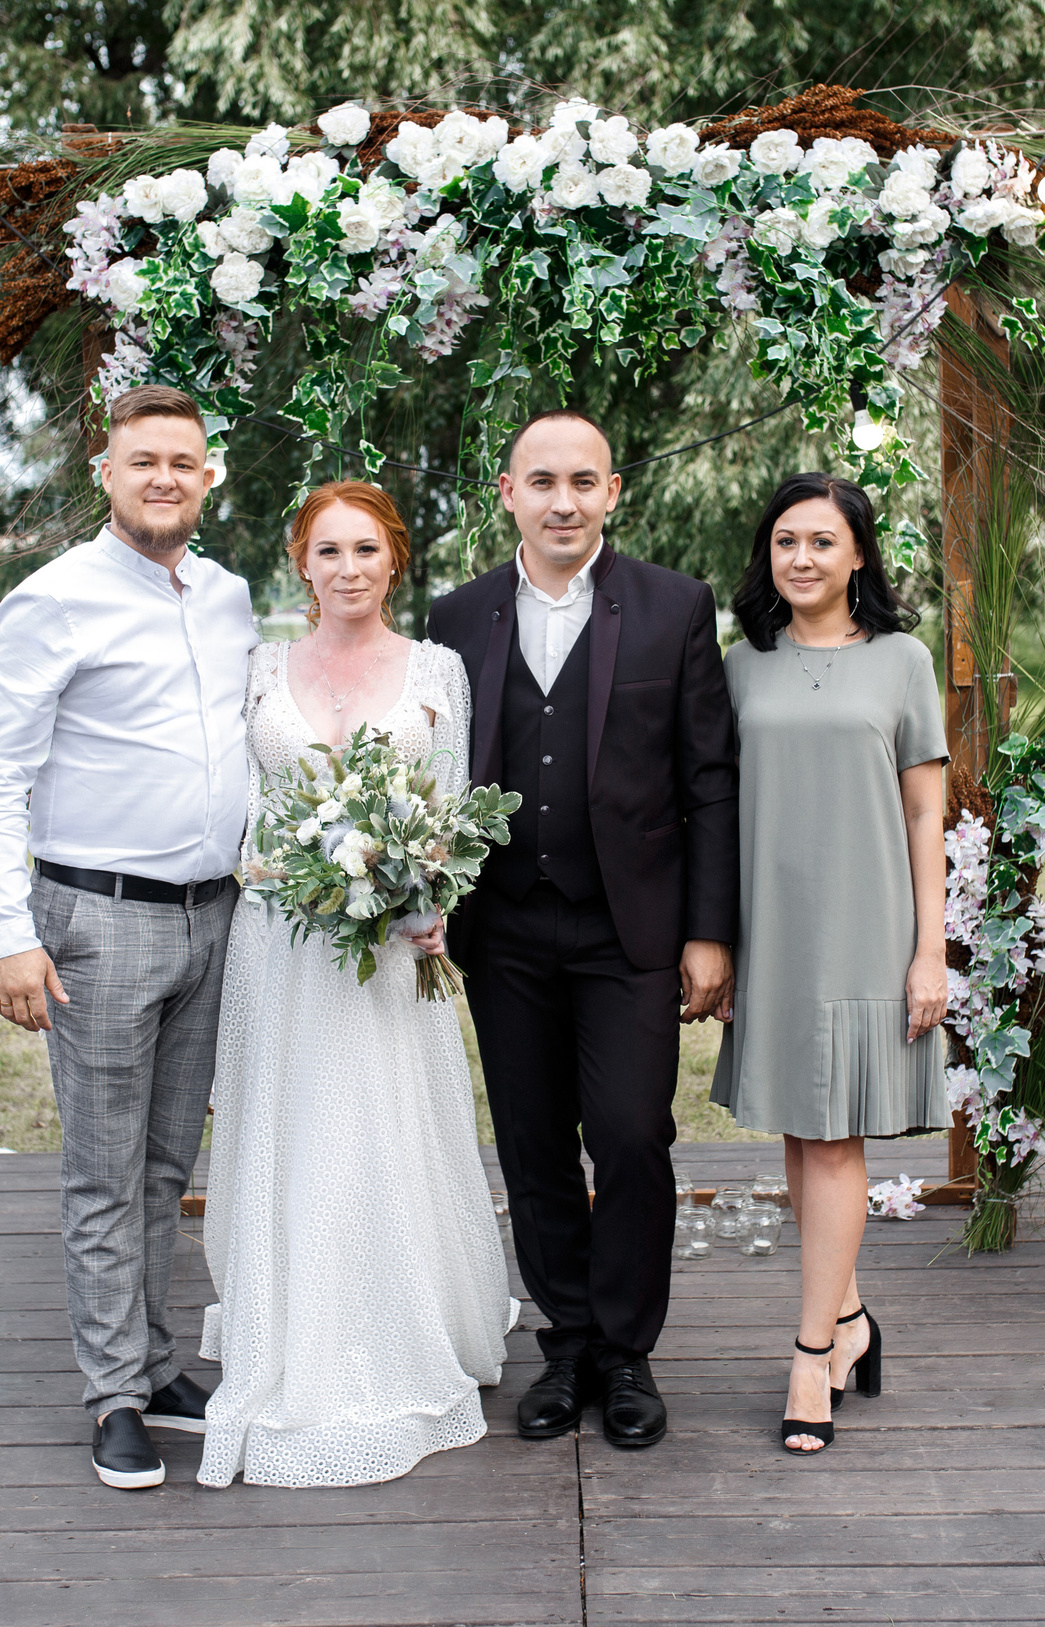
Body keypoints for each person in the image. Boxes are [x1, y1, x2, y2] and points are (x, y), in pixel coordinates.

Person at [0, 384, 257, 1491]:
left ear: (207, 475)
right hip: (94, 922)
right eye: (144, 461)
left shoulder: (228, 598)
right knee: (102, 1171)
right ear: (107, 471)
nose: (165, 479)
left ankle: (155, 1361)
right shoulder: (54, 599)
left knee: (166, 1164)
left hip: (210, 918)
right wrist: (6, 932)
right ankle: (113, 1399)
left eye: (183, 461)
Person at [426, 410, 738, 1451]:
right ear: (507, 492)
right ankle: (565, 1343)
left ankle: (627, 1349)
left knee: (629, 1134)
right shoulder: (455, 616)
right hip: (504, 927)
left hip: (628, 929)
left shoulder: (672, 608)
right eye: (542, 480)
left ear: (614, 494)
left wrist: (709, 933)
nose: (564, 499)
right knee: (532, 1140)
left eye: (584, 481)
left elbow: (707, 782)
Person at [196, 481, 516, 1488]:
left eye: (366, 551)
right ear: (299, 561)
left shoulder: (438, 670)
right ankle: (291, 1323)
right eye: (327, 551)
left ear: (395, 560)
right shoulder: (255, 669)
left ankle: (399, 1316)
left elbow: (455, 803)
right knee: (291, 1129)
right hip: (279, 946)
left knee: (380, 1128)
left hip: (389, 948)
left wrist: (428, 902)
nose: (347, 570)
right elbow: (236, 807)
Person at [709, 473, 950, 1455]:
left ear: (858, 555)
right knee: (800, 1134)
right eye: (783, 541)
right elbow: (711, 807)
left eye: (820, 540)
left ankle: (812, 1356)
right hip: (770, 924)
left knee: (836, 1136)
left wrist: (929, 951)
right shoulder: (739, 665)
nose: (800, 557)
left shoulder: (901, 661)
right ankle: (851, 1320)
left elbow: (926, 812)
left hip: (865, 923)